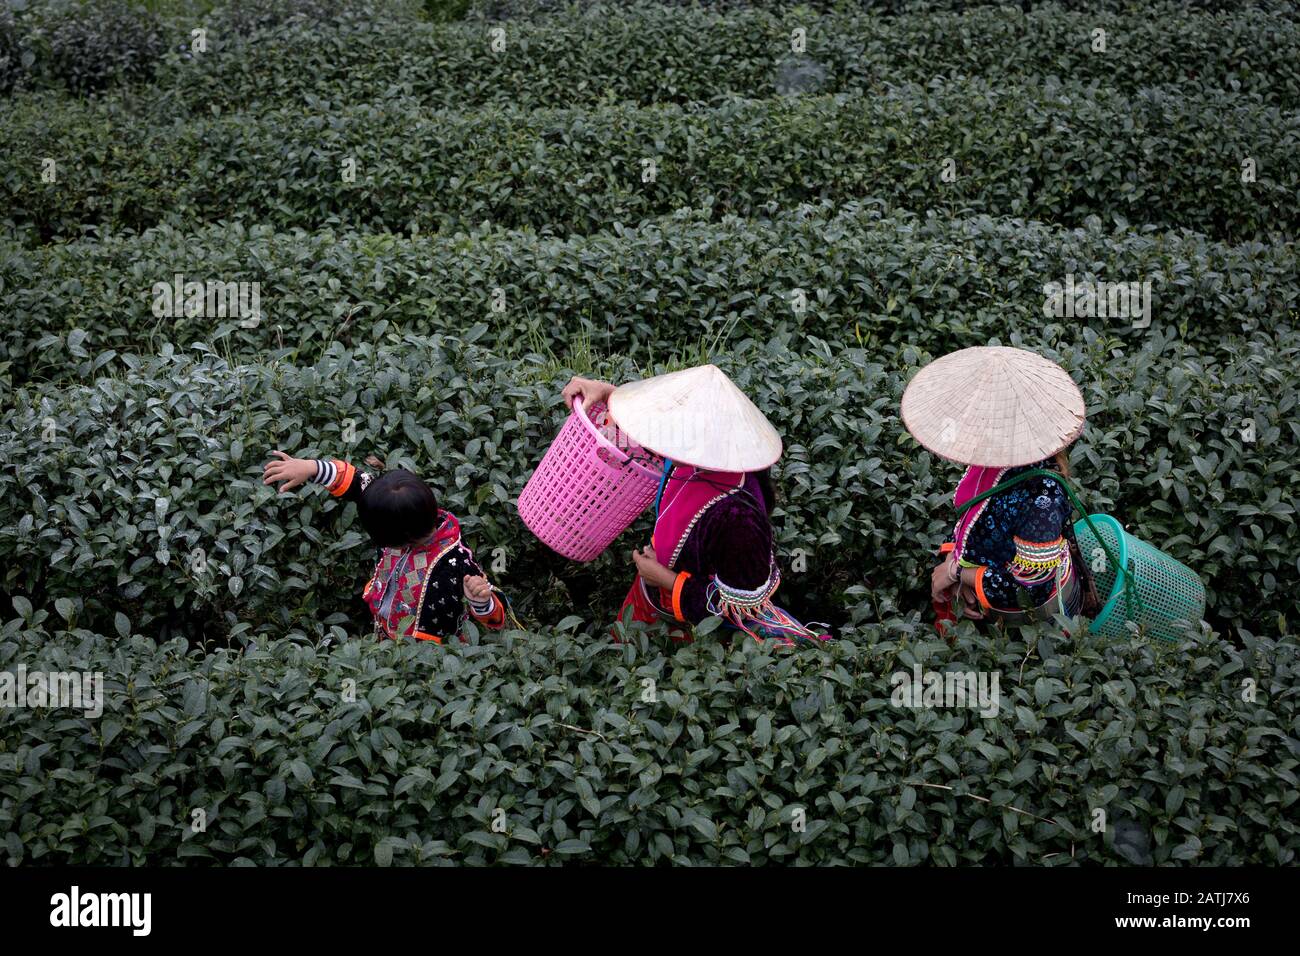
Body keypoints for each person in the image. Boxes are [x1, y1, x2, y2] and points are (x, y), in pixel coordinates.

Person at [561, 364, 828, 644]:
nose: (660, 439)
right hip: (653, 593)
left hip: (700, 634)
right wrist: (607, 394)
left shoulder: (739, 519)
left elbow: (736, 610)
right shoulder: (690, 454)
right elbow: (651, 435)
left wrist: (667, 580)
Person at [899, 346, 1098, 628]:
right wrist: (959, 573)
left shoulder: (1043, 497)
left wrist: (957, 573)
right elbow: (974, 521)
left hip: (1034, 624)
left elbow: (1030, 588)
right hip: (980, 590)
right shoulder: (991, 458)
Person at [262, 452, 507, 643]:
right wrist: (311, 468)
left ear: (401, 539)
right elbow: (357, 483)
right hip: (384, 631)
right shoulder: (395, 507)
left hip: (427, 652)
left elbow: (495, 616)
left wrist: (479, 601)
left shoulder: (455, 562)